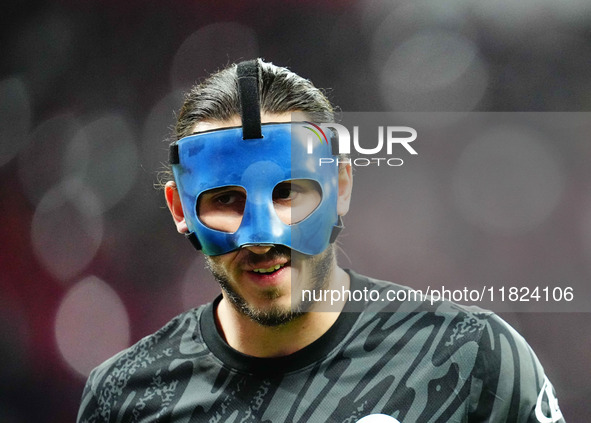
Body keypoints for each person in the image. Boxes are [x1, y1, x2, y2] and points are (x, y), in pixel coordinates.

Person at [77, 59, 565, 423]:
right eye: (226, 200)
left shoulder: (472, 355)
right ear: (180, 209)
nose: (262, 237)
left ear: (342, 187)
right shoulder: (124, 398)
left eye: (288, 192)